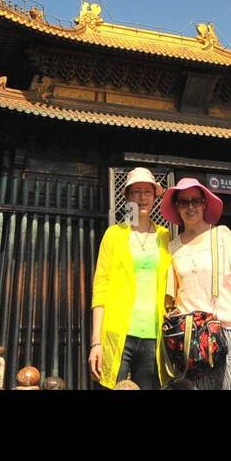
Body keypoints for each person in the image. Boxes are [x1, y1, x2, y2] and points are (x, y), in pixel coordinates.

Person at [161, 178, 231, 389]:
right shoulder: (172, 247)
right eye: (183, 202)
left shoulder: (222, 235)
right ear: (177, 207)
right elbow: (173, 298)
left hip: (229, 331)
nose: (190, 207)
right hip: (194, 340)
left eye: (195, 200)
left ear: (204, 203)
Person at [90, 167, 173, 390]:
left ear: (156, 196)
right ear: (126, 196)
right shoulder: (114, 235)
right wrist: (95, 342)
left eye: (148, 191)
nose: (142, 197)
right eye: (136, 192)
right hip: (117, 333)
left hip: (154, 335)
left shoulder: (166, 237)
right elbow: (101, 287)